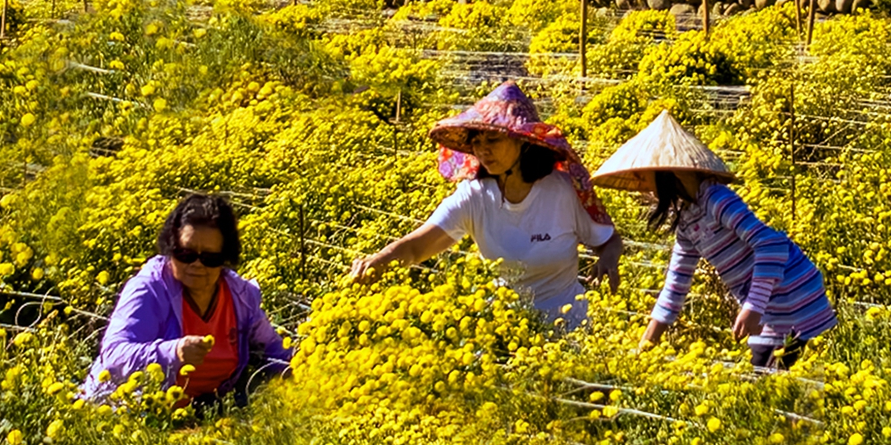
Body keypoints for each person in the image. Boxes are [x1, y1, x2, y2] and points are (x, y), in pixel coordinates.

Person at [349, 82, 621, 330]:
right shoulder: (474, 195)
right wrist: (377, 261)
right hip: (503, 330)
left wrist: (608, 259)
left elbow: (609, 240)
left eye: (493, 140)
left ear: (523, 142)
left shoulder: (562, 191)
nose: (482, 151)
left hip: (567, 328)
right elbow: (417, 245)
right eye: (476, 142)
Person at [591, 111, 836, 369]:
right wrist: (645, 348)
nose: (639, 183)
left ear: (667, 172)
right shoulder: (687, 219)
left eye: (643, 173)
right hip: (768, 301)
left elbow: (771, 245)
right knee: (768, 377)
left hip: (794, 295)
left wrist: (753, 306)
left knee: (776, 379)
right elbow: (676, 284)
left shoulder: (716, 199)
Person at [83, 192, 293, 406]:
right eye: (186, 254)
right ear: (171, 248)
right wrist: (173, 352)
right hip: (135, 413)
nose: (197, 264)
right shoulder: (149, 290)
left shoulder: (240, 296)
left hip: (210, 408)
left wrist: (308, 369)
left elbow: (275, 350)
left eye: (210, 258)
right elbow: (114, 356)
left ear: (225, 257)